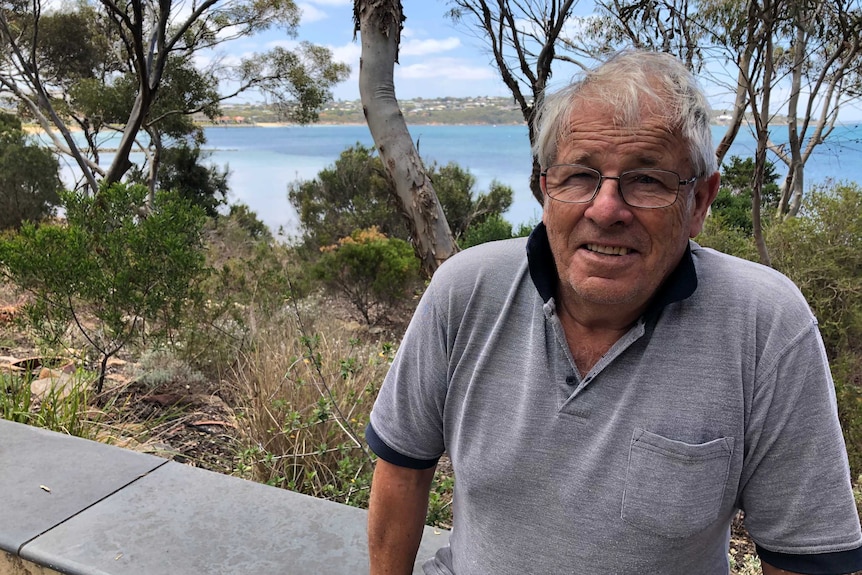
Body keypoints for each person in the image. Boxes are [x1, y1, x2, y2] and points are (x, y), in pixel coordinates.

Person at [364, 50, 862, 575]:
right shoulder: (465, 291)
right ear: (544, 189)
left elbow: (806, 560)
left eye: (648, 180)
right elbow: (402, 467)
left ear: (699, 202)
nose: (605, 209)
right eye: (579, 175)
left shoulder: (766, 326)